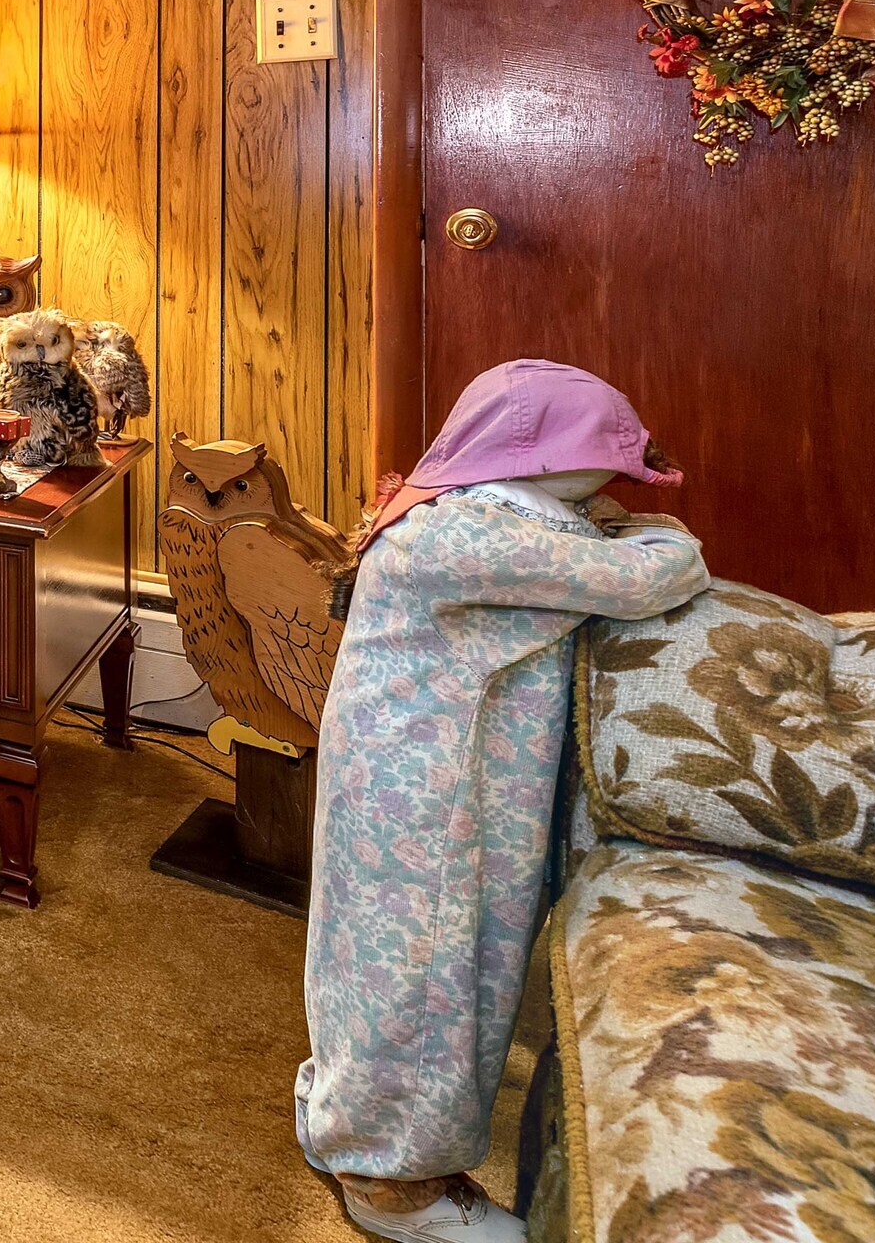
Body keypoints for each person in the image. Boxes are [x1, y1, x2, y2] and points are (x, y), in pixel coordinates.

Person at [297, 359, 709, 1242]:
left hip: (415, 777)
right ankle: (395, 1183)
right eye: (603, 466)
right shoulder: (475, 539)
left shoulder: (452, 519)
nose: (613, 485)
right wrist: (650, 528)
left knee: (379, 955)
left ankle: (350, 1117)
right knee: (431, 967)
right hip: (431, 795)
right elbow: (657, 573)